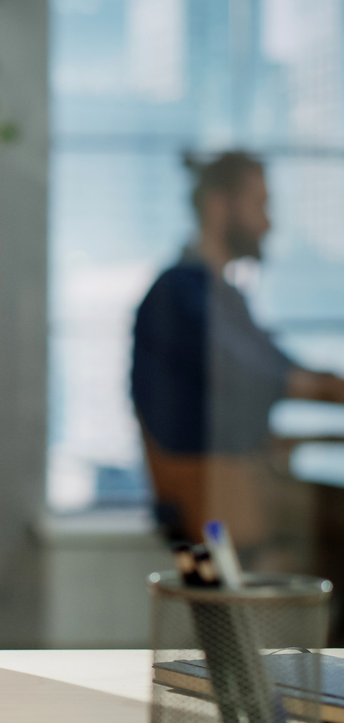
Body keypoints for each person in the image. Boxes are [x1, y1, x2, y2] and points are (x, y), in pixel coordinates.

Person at [131, 151, 344, 544]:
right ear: (218, 206)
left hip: (243, 485)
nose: (268, 223)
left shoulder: (223, 296)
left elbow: (278, 365)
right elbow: (260, 376)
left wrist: (329, 386)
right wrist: (323, 390)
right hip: (219, 498)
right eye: (259, 205)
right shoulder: (179, 294)